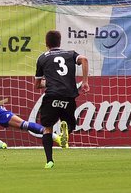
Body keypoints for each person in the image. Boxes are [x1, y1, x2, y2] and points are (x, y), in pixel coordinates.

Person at [34, 30, 89, 169]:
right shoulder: (70, 54)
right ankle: (66, 130)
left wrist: (50, 82)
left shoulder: (42, 58)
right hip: (68, 95)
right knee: (70, 124)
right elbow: (84, 59)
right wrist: (85, 81)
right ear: (60, 42)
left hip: (51, 95)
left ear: (46, 43)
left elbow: (37, 85)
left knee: (47, 128)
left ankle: (49, 161)